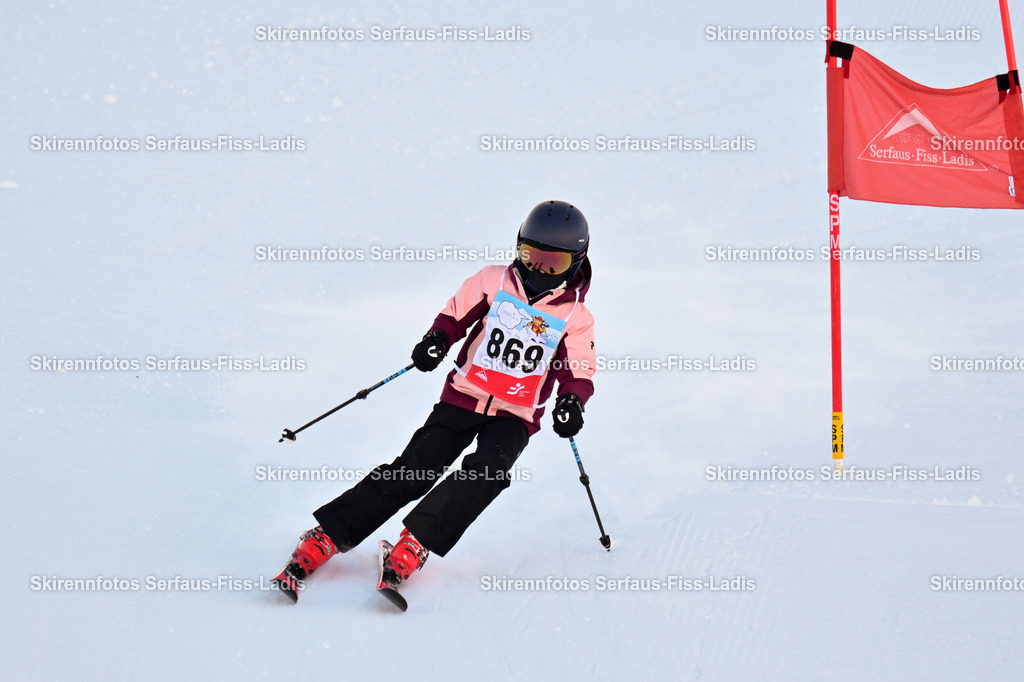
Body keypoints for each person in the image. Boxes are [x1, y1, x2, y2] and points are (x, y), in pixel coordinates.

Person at [273, 200, 597, 603]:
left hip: (514, 414)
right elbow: (454, 315)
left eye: (554, 263)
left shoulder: (576, 316)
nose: (538, 270)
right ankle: (328, 534)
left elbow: (578, 370)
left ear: (575, 261)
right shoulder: (493, 281)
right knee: (415, 468)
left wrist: (572, 402)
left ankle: (416, 542)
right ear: (518, 246)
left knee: (488, 473)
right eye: (530, 256)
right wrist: (436, 340)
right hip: (463, 396)